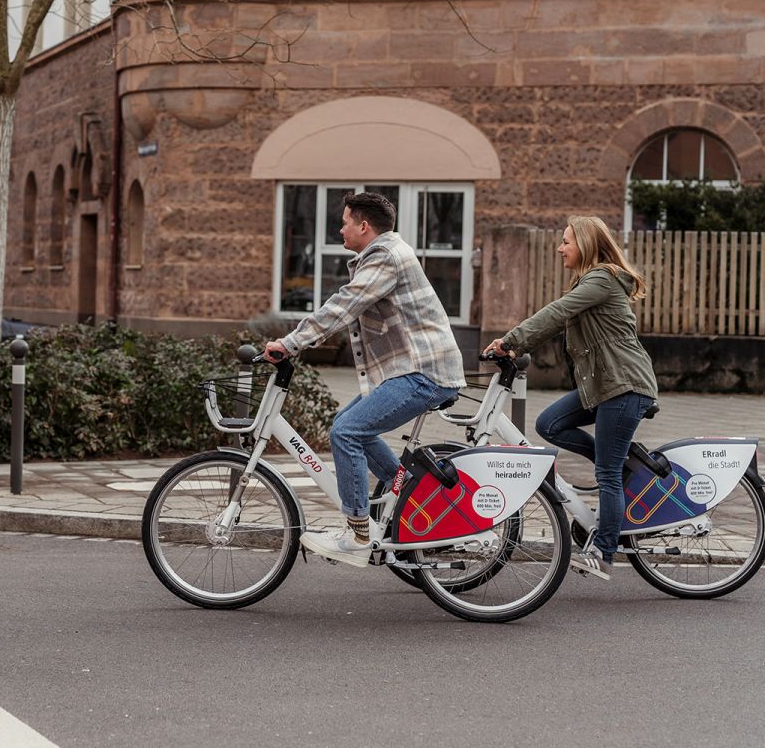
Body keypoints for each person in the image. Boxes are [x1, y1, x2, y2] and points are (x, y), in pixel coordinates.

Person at [264, 192, 464, 567]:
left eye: (344, 222)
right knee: (348, 426)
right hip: (412, 370)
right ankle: (412, 498)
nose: (340, 229)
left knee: (347, 433)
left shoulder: (385, 256)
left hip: (423, 372)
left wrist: (291, 342)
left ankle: (358, 532)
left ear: (363, 226)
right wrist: (305, 341)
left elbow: (345, 304)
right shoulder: (384, 253)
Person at [485, 216, 658, 580]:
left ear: (586, 244)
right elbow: (559, 319)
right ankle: (622, 461)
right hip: (604, 387)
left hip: (624, 386)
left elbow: (556, 313)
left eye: (566, 241)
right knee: (549, 424)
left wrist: (511, 341)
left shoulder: (602, 278)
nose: (560, 247)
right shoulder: (591, 282)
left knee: (607, 472)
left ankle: (604, 551)